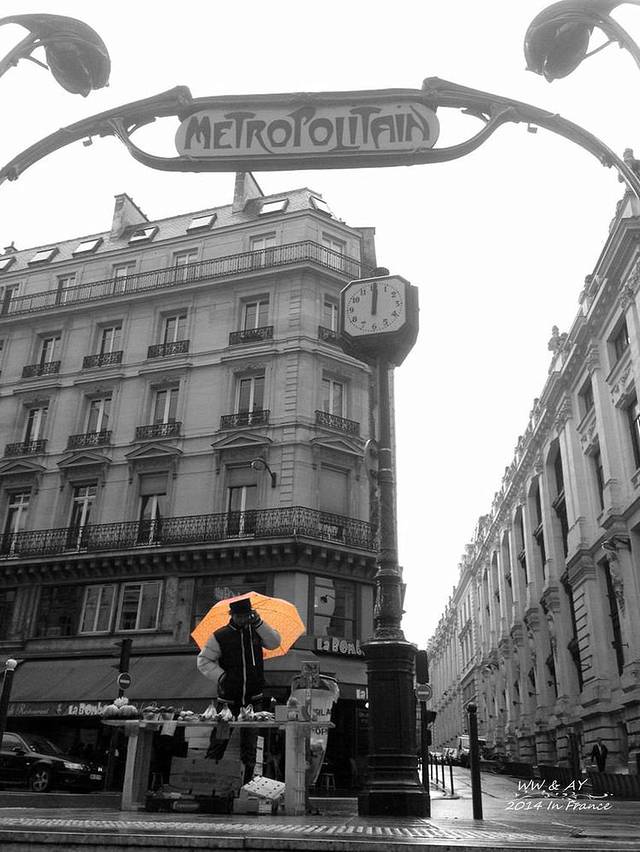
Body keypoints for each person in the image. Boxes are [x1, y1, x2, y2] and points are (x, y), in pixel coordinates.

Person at [197, 597, 280, 784]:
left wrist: (259, 623)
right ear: (232, 615)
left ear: (251, 614)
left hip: (253, 701)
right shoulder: (220, 635)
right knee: (218, 743)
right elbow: (203, 660)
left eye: (246, 615)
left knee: (250, 748)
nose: (243, 619)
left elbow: (275, 642)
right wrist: (222, 677)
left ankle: (247, 785)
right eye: (239, 616)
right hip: (227, 703)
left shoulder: (257, 631)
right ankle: (208, 784)